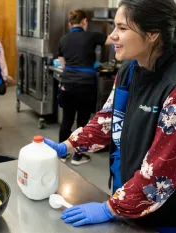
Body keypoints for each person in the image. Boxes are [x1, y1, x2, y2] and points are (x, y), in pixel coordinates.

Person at [44, 0, 176, 232]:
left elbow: (161, 170)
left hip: (163, 213)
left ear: (153, 33)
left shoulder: (172, 86)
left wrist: (109, 209)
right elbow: (106, 121)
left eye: (122, 28)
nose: (113, 36)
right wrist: (67, 146)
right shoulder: (128, 72)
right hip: (127, 196)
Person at [57, 10, 113, 165]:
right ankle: (78, 156)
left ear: (70, 24)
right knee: (82, 122)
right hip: (86, 85)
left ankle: (62, 154)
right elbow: (112, 40)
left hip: (67, 84)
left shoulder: (63, 39)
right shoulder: (92, 36)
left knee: (66, 119)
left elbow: (63, 64)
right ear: (85, 22)